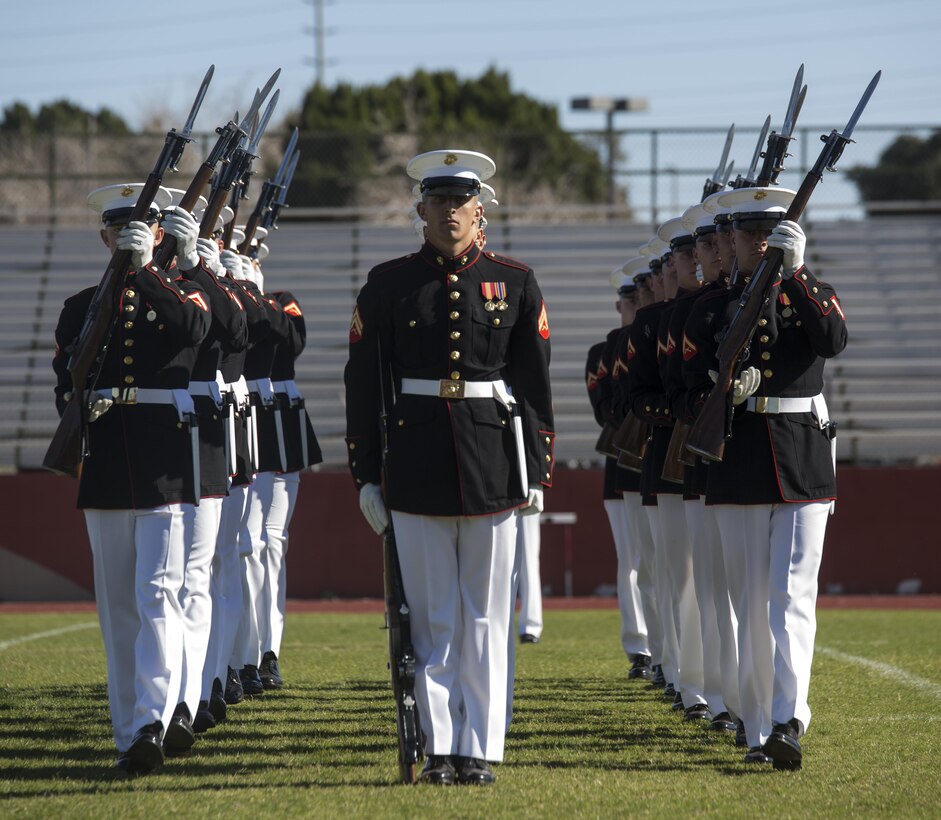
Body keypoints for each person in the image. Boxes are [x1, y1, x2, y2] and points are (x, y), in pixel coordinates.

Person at [344, 149, 554, 786]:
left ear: (480, 209)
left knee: (487, 616)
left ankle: (480, 748)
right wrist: (367, 476)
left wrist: (537, 471)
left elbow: (535, 385)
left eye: (461, 202)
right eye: (437, 202)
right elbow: (363, 385)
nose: (450, 213)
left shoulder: (515, 281)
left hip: (491, 462)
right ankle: (438, 748)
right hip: (415, 461)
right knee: (433, 617)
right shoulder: (388, 284)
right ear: (421, 210)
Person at [683, 186, 846, 769]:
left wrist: (798, 276)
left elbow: (832, 339)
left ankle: (788, 720)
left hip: (802, 459)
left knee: (791, 598)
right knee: (749, 604)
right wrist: (723, 387)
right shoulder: (712, 307)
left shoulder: (810, 292)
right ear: (732, 241)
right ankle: (756, 728)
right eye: (748, 234)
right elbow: (692, 379)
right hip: (741, 457)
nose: (759, 242)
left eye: (769, 232)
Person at [52, 182, 211, 774]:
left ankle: (154, 719)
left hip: (162, 458)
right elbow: (64, 381)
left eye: (139, 229)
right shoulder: (79, 307)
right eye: (118, 230)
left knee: (159, 594)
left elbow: (194, 333)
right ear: (103, 236)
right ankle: (128, 732)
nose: (127, 237)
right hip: (105, 461)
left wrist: (147, 271)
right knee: (118, 604)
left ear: (158, 235)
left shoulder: (182, 291)